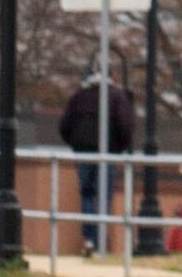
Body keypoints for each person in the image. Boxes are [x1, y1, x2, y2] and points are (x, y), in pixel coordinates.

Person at [57, 71, 140, 255]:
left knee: (87, 194)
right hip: (107, 153)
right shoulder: (116, 97)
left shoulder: (78, 97)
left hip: (84, 152)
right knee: (104, 195)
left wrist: (77, 144)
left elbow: (64, 126)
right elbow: (126, 126)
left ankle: (89, 239)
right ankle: (100, 240)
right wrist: (119, 148)